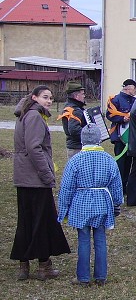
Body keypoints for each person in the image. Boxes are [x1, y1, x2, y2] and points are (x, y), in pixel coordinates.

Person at [11, 85, 71, 281]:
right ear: (34, 97)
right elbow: (34, 148)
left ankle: (24, 265)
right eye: (45, 97)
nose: (49, 101)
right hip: (35, 179)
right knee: (42, 222)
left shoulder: (25, 114)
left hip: (24, 178)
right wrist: (47, 175)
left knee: (27, 221)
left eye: (51, 98)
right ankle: (43, 267)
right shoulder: (35, 116)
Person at [57, 124, 123, 287]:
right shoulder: (109, 159)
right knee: (100, 239)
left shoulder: (75, 160)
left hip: (81, 205)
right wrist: (116, 205)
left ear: (82, 140)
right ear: (99, 140)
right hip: (102, 203)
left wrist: (63, 209)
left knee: (84, 240)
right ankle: (101, 276)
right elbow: (117, 186)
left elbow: (66, 188)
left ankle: (83, 278)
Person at [106, 79, 136, 193]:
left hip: (131, 137)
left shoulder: (135, 100)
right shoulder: (115, 100)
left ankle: (125, 186)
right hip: (119, 137)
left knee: (128, 163)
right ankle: (117, 187)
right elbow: (109, 114)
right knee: (120, 163)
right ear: (128, 88)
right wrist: (122, 119)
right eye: (134, 88)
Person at [58, 81, 88, 159]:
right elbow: (74, 130)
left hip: (74, 147)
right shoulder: (75, 110)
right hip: (77, 148)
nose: (84, 96)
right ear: (76, 96)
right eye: (82, 94)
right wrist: (90, 135)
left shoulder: (70, 107)